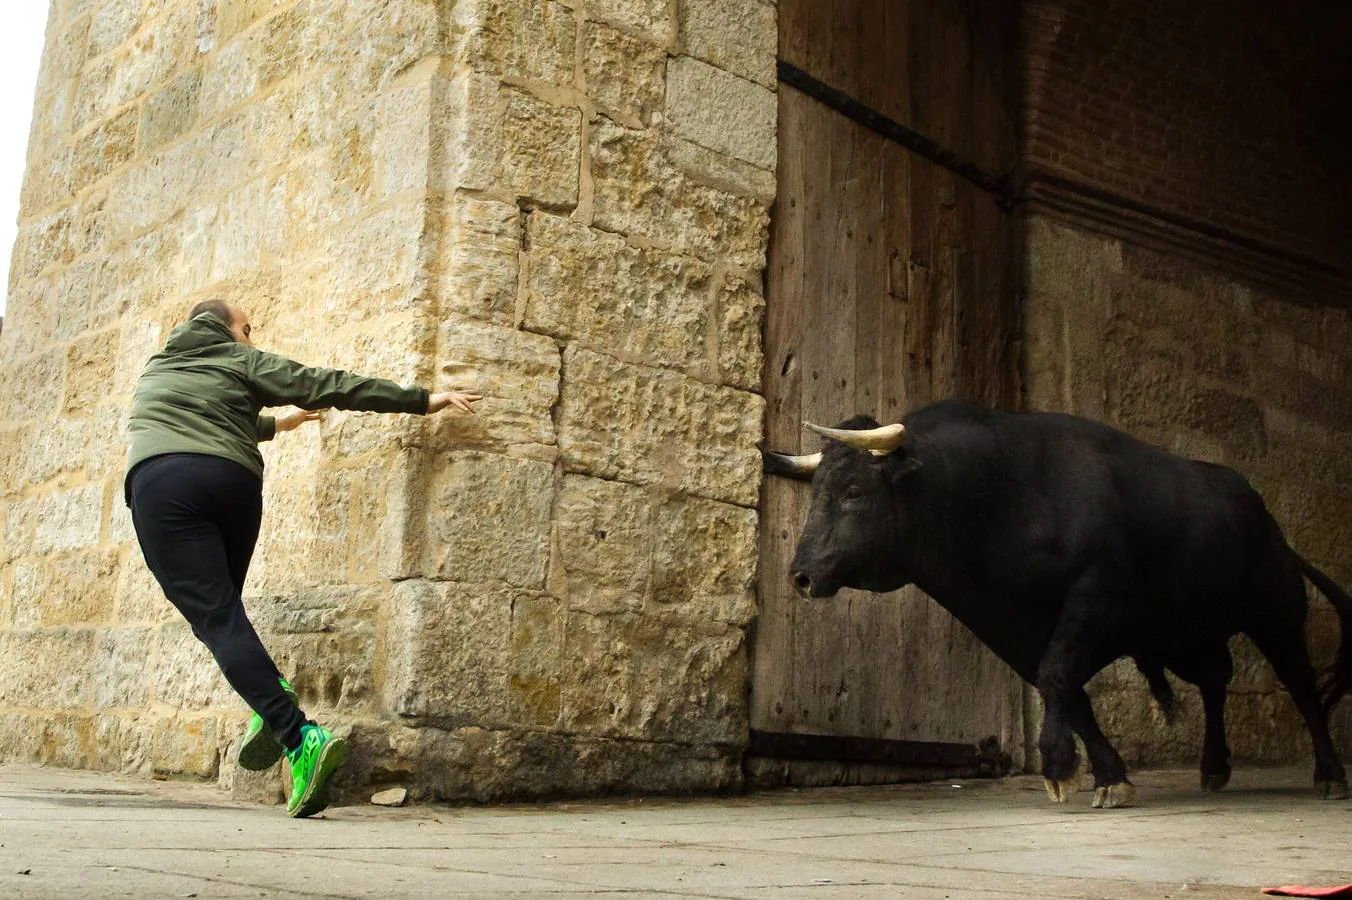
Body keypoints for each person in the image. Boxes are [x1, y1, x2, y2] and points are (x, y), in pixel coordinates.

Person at [125, 299, 481, 817]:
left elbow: (191, 419)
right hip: (233, 483)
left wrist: (275, 425)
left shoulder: (156, 370)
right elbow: (323, 382)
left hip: (163, 487)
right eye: (247, 329)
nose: (251, 337)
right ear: (227, 330)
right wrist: (421, 400)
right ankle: (269, 702)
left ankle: (298, 736)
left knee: (218, 619)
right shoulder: (240, 360)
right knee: (229, 615)